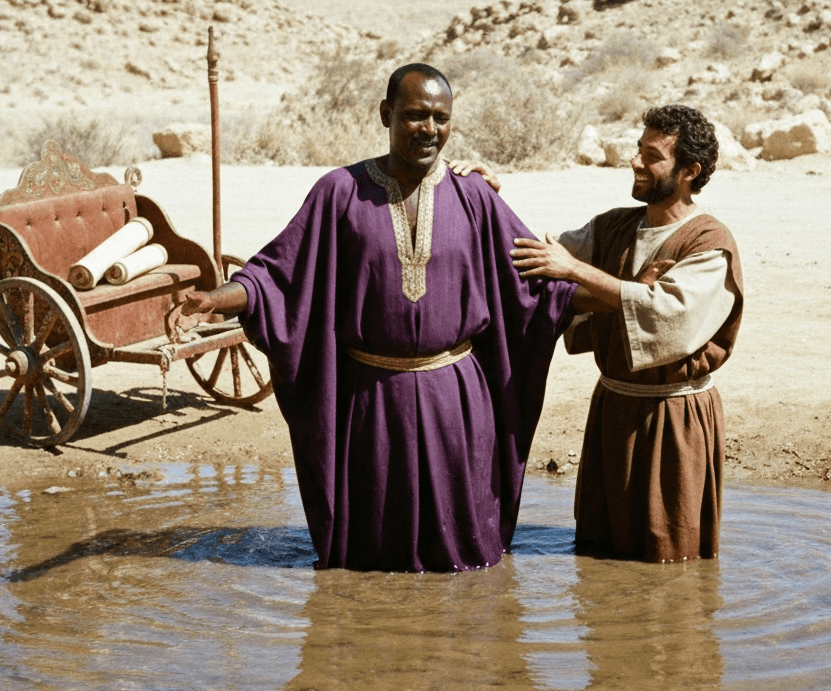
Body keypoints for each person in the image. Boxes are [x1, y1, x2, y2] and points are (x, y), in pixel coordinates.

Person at [178, 63, 577, 572]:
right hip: (370, 405)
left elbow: (537, 280)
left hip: (456, 401)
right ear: (386, 114)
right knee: (371, 558)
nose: (428, 129)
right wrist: (215, 299)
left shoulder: (474, 196)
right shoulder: (338, 192)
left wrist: (618, 293)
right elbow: (277, 276)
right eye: (414, 115)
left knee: (465, 557)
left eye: (440, 117)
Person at [511, 104, 743, 563]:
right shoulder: (613, 226)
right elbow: (536, 255)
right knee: (600, 544)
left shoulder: (709, 244)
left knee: (668, 550)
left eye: (651, 156)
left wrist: (578, 272)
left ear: (688, 171)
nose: (635, 162)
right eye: (638, 150)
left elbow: (669, 315)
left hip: (673, 416)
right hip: (612, 406)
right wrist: (481, 195)